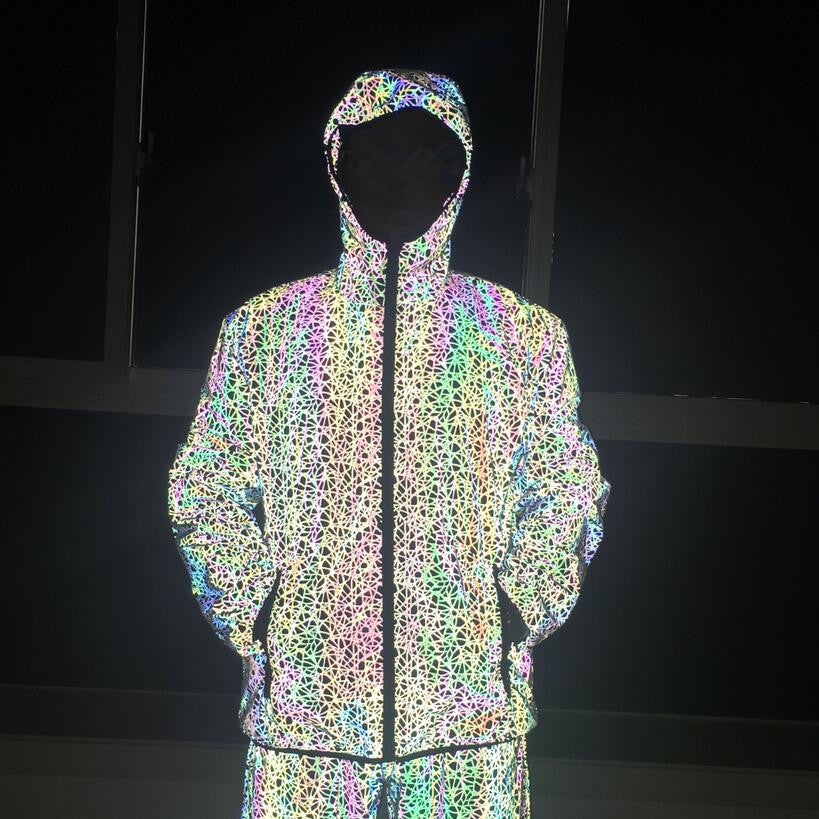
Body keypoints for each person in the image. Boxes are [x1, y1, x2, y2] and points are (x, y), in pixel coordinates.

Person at [168, 68, 611, 818]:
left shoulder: (519, 334)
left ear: (454, 174)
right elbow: (205, 488)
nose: (397, 175)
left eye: (421, 156)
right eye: (376, 153)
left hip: (467, 728)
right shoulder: (268, 330)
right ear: (338, 164)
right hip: (304, 730)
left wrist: (512, 607)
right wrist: (263, 609)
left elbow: (566, 490)